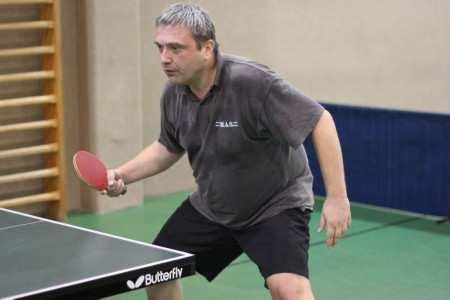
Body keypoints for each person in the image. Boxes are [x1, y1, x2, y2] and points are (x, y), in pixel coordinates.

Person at [105, 3, 351, 300]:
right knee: (158, 271)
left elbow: (320, 121)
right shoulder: (174, 93)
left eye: (176, 48)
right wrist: (122, 175)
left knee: (289, 290)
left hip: (274, 205)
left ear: (207, 48)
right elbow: (167, 147)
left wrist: (337, 198)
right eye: (160, 48)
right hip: (215, 206)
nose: (164, 59)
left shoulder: (252, 83)